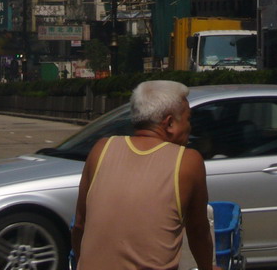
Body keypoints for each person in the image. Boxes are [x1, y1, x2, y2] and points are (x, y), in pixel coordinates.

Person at [72, 80, 220, 270]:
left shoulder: (101, 149)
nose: (190, 127)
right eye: (188, 119)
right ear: (170, 123)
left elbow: (79, 225)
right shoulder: (188, 161)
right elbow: (198, 231)